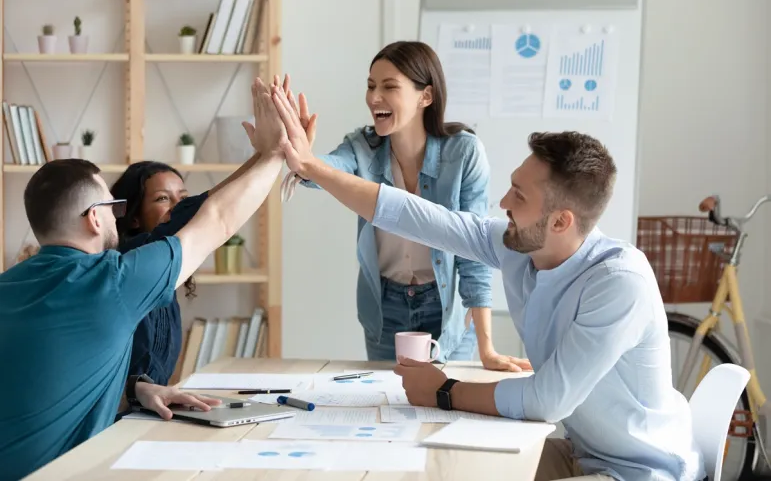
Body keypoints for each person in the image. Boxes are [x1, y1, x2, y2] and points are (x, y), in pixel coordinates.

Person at [270, 85, 705, 481]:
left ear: (560, 220)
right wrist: (311, 167)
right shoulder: (520, 246)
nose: (502, 203)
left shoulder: (618, 283)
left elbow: (547, 400)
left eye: (519, 195)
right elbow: (415, 216)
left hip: (640, 471)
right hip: (582, 453)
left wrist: (444, 391)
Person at [0, 77, 288, 480]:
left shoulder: (9, 284)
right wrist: (276, 153)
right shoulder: (112, 283)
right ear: (95, 217)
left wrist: (133, 389)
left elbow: (44, 378)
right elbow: (217, 220)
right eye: (113, 205)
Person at [281, 42, 529, 371]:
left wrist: (488, 348)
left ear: (425, 96)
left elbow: (475, 250)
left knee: (446, 409)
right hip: (385, 307)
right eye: (370, 86)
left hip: (445, 310)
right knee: (388, 405)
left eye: (388, 87)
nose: (373, 98)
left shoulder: (463, 153)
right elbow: (328, 170)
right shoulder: (362, 147)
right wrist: (305, 160)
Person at [111, 159, 258, 386]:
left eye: (183, 198)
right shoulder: (134, 257)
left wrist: (266, 154)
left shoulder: (169, 272)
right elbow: (206, 209)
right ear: (134, 218)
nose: (177, 207)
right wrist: (267, 155)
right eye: (163, 198)